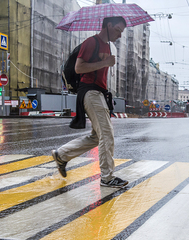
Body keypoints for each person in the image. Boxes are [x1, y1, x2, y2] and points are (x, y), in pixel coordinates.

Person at [52, 17, 128, 188]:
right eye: (118, 30)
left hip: (99, 94)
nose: (120, 35)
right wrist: (105, 62)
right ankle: (107, 178)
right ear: (108, 26)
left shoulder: (107, 46)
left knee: (97, 136)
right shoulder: (91, 43)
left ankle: (62, 155)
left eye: (122, 32)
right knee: (106, 134)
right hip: (90, 92)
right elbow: (79, 68)